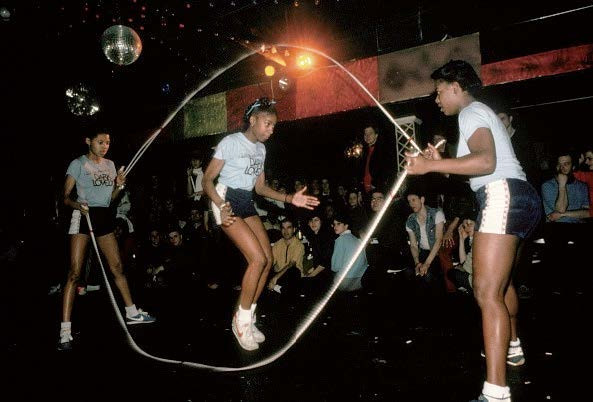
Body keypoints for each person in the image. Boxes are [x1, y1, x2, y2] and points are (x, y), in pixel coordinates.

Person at [405, 60, 542, 402]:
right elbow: (476, 164)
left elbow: (485, 163)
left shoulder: (469, 112)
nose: (437, 99)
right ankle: (512, 347)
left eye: (439, 91)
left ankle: (495, 393)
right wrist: (442, 159)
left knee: (485, 291)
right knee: (502, 282)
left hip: (502, 194)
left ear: (456, 86)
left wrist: (431, 165)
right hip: (521, 198)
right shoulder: (480, 114)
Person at [202, 97, 319, 351]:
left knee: (267, 259)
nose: (271, 129)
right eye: (267, 123)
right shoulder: (231, 142)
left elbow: (261, 188)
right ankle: (240, 320)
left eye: (274, 126)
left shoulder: (261, 150)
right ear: (253, 120)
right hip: (225, 197)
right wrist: (221, 206)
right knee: (256, 259)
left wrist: (290, 198)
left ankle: (249, 315)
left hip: (245, 200)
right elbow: (207, 181)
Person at [58, 129, 155, 351]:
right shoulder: (78, 164)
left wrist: (119, 185)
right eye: (100, 142)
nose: (105, 146)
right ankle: (65, 330)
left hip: (103, 217)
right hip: (82, 216)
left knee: (117, 267)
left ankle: (132, 313)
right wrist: (78, 206)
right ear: (88, 141)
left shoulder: (110, 165)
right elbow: (65, 197)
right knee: (74, 272)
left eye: (108, 142)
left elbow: (109, 200)